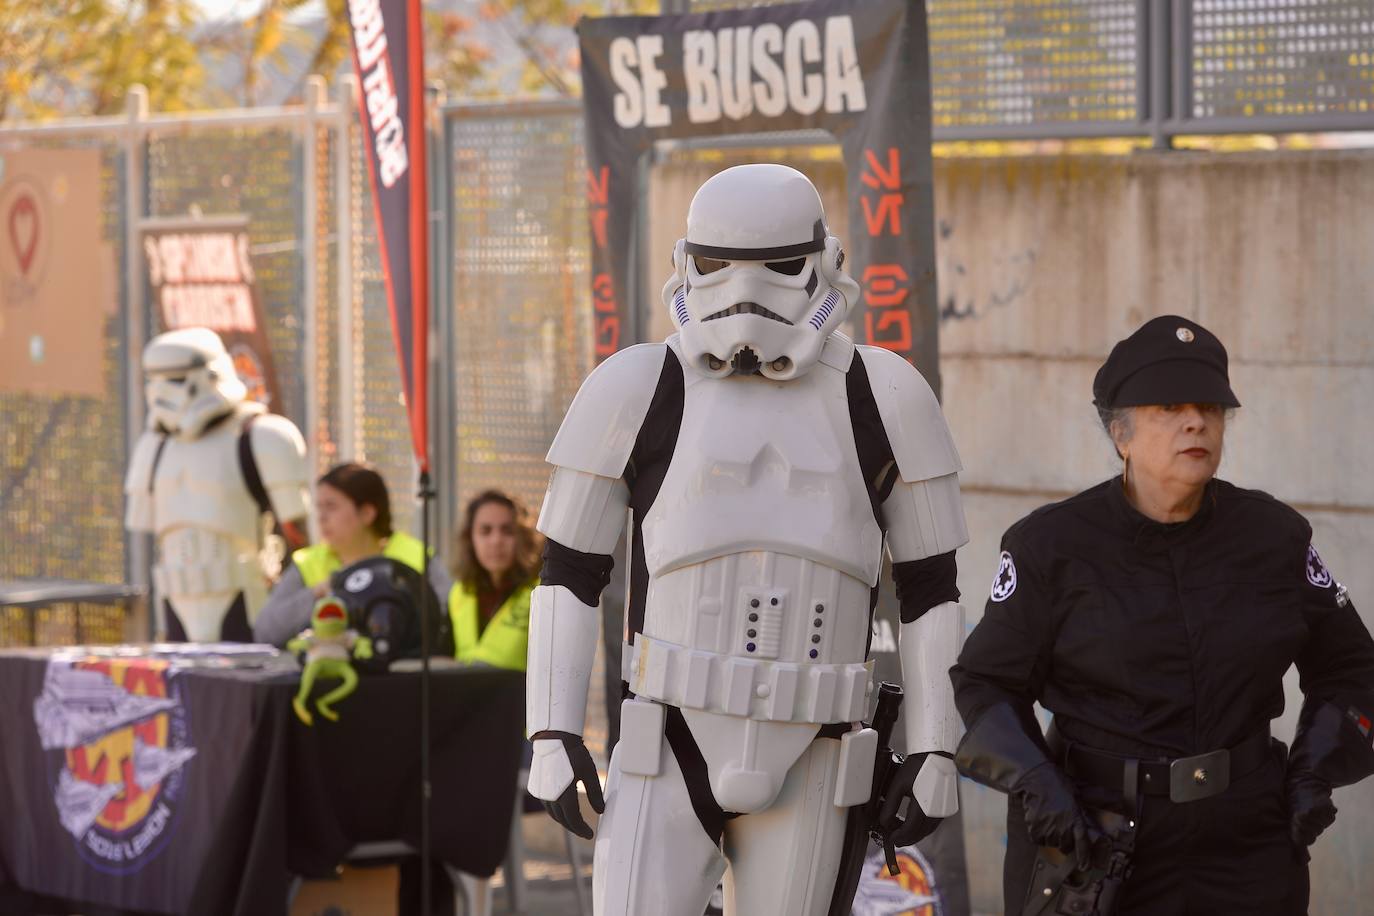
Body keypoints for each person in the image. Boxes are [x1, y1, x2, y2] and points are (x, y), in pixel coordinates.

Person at [524, 163, 969, 915]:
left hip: (819, 744)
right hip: (668, 737)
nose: (744, 291)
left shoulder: (884, 394)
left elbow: (933, 590)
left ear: (823, 261)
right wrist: (551, 729)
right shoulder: (638, 386)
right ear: (686, 262)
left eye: (777, 265)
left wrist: (935, 745)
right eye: (719, 265)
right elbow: (567, 572)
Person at [951, 315, 1374, 914]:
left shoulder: (1275, 537)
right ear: (1120, 435)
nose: (1195, 422)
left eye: (1210, 408)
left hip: (1247, 842)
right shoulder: (1051, 546)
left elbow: (1351, 667)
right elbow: (985, 682)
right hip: (1095, 842)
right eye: (1169, 407)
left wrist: (1314, 770)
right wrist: (1036, 783)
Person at [124, 327, 310, 642]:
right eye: (152, 380)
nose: (160, 392)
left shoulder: (263, 436)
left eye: (175, 379)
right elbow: (144, 531)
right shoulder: (153, 447)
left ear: (211, 376)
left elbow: (301, 539)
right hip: (174, 606)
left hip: (248, 601)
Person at [252, 462, 451, 647]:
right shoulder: (308, 563)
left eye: (331, 506)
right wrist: (316, 594)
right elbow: (265, 633)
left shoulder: (418, 558)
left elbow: (447, 625)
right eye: (318, 507)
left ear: (367, 513)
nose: (321, 517)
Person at [448, 490, 539, 670]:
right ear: (470, 538)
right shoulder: (459, 592)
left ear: (522, 537)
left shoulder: (541, 593)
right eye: (485, 531)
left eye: (507, 531)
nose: (496, 541)